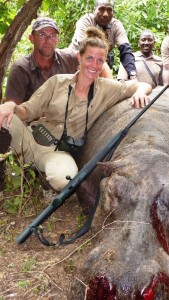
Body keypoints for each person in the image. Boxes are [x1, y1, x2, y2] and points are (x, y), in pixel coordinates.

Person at [0, 27, 151, 194]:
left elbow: (143, 84)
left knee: (66, 180)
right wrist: (11, 107)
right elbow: (27, 111)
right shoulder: (57, 82)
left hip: (57, 154)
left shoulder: (107, 89)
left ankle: (40, 174)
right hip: (29, 141)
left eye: (100, 61)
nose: (94, 65)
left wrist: (140, 92)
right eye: (90, 58)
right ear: (79, 57)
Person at [4, 16, 113, 105]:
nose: (48, 40)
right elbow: (13, 107)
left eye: (53, 36)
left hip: (66, 124)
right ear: (31, 38)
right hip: (31, 125)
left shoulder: (69, 58)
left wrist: (110, 87)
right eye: (42, 35)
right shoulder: (20, 69)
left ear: (58, 39)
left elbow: (99, 64)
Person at [69, 0, 137, 80]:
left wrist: (133, 75)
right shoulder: (86, 21)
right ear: (94, 10)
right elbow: (87, 51)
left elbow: (125, 51)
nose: (105, 14)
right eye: (101, 9)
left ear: (113, 12)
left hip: (96, 65)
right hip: (74, 63)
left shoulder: (116, 26)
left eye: (109, 10)